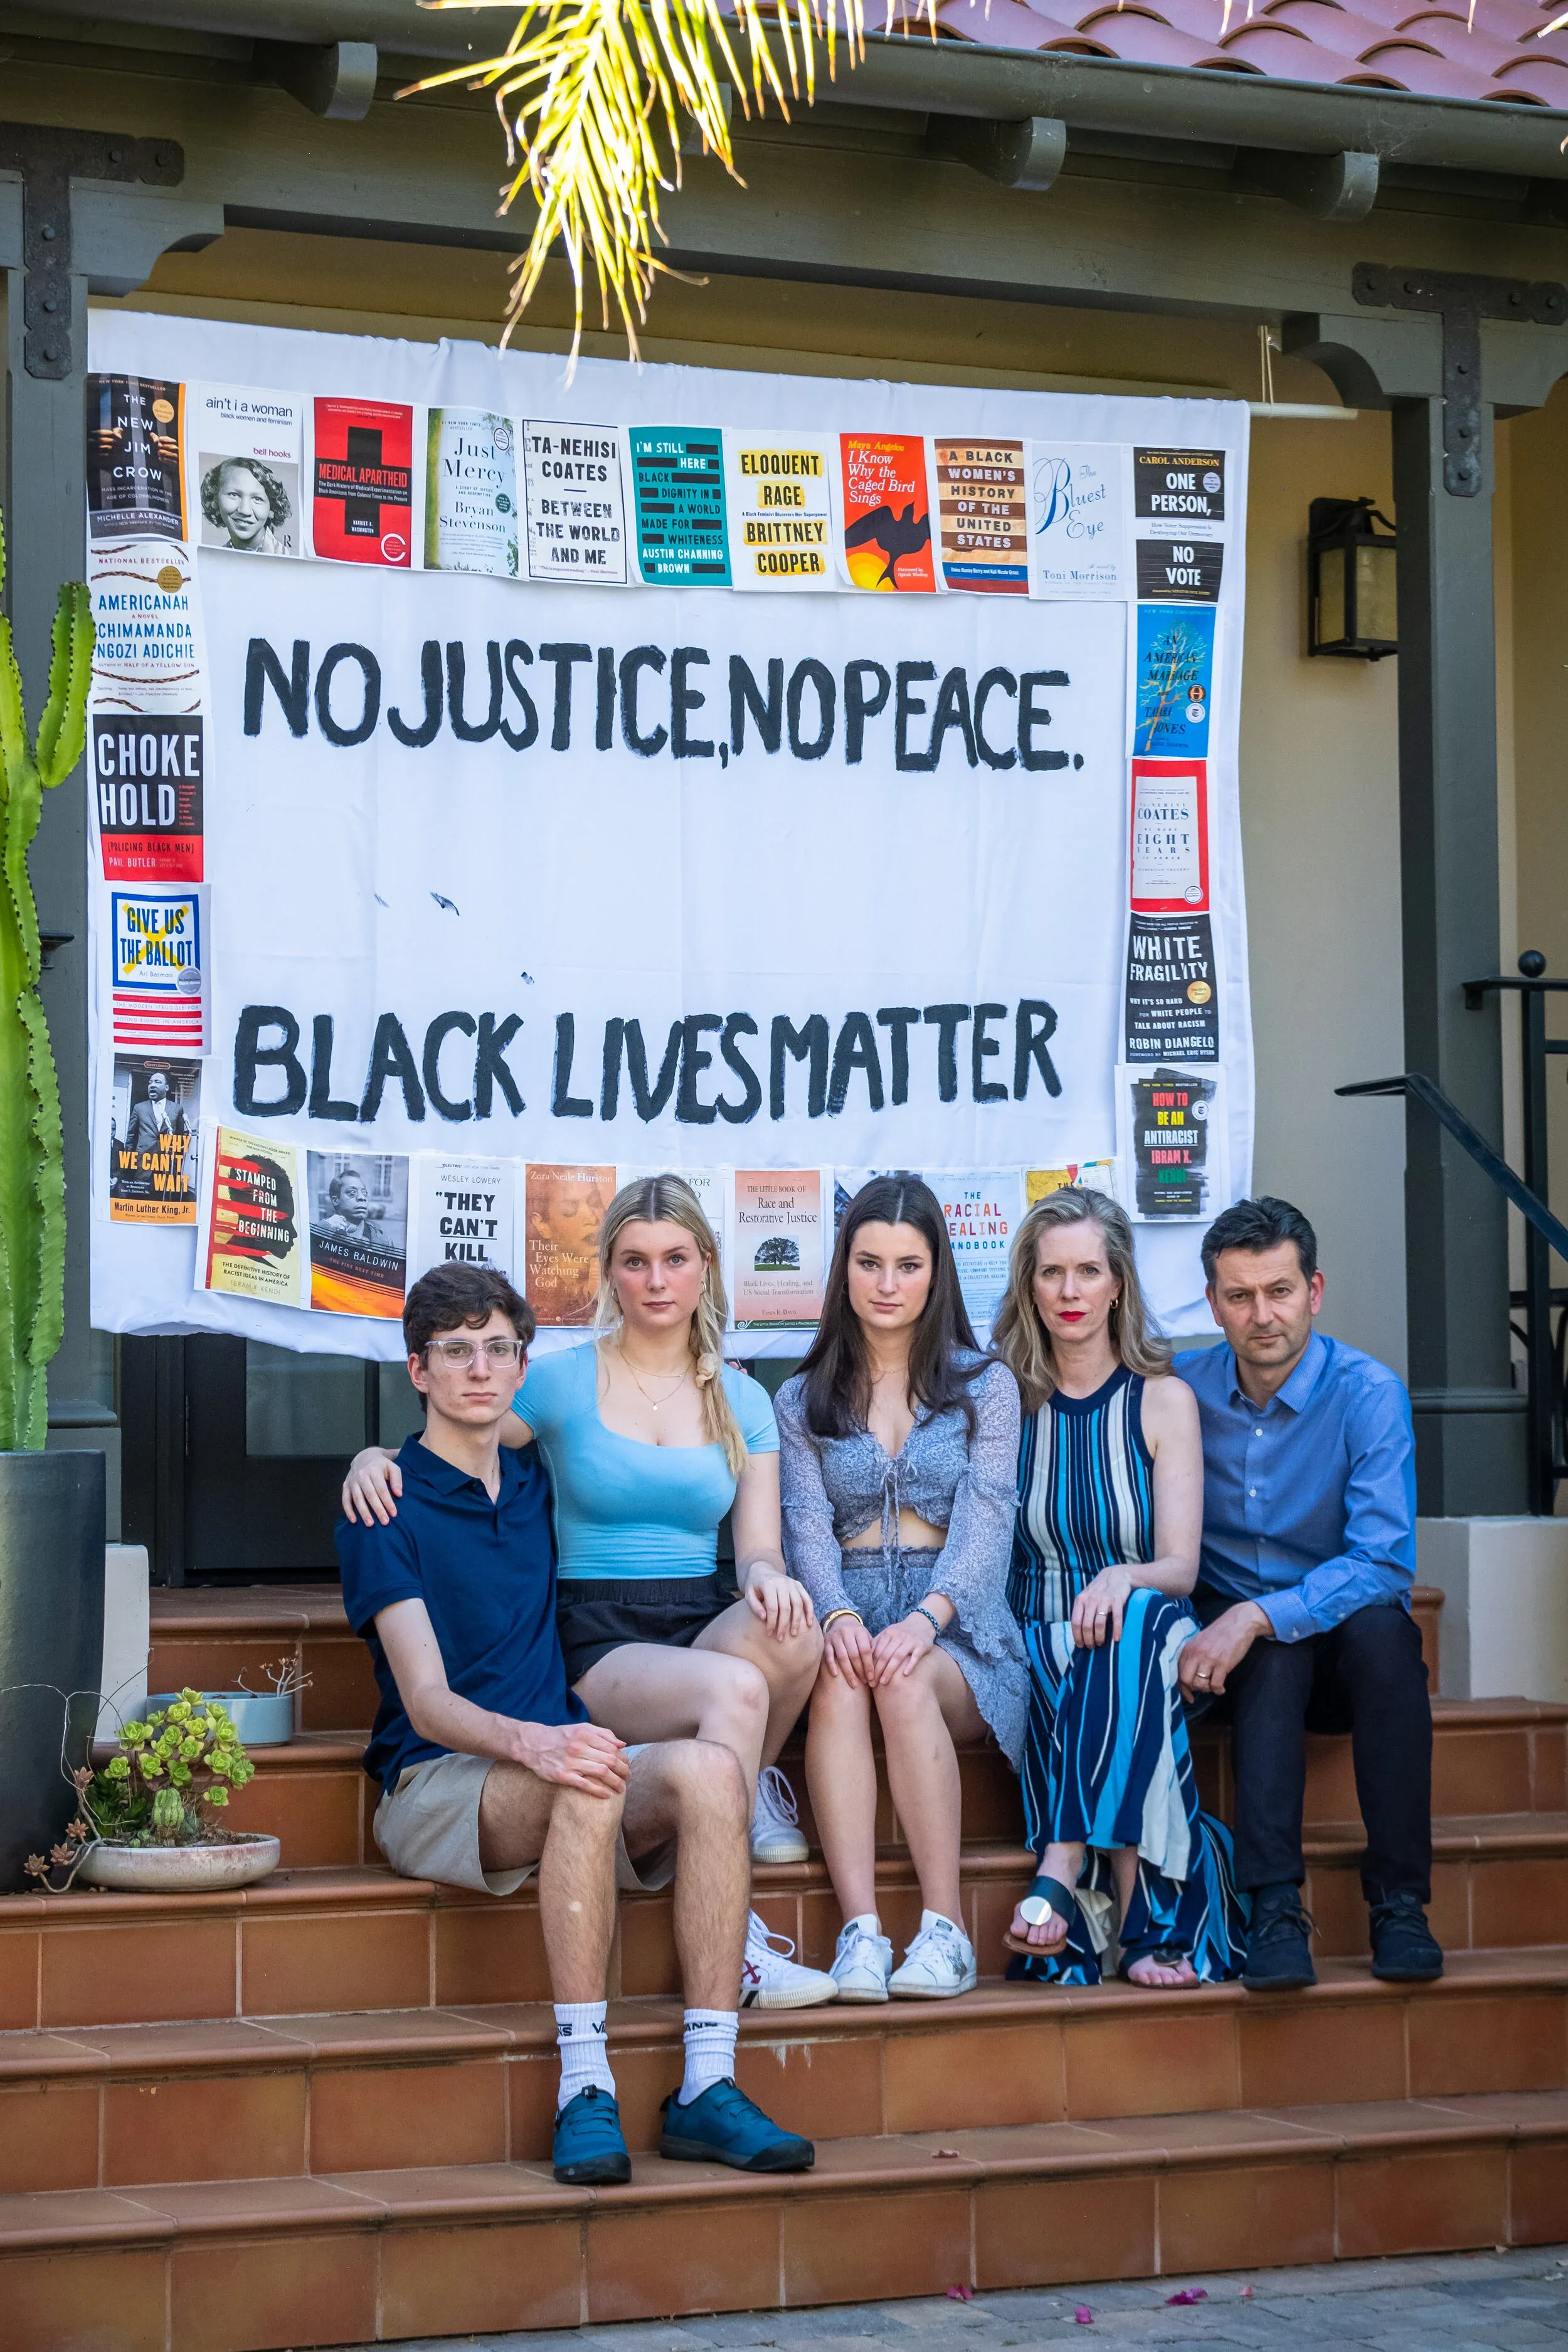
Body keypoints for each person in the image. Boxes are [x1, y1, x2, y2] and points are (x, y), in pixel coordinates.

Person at [337, 1262, 813, 2185]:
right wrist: (541, 1741)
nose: (480, 1368)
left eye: (498, 1348)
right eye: (455, 1350)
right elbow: (428, 1702)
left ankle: (707, 2084)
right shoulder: (384, 1503)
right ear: (418, 1370)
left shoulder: (532, 1484)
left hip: (555, 1761)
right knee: (585, 1777)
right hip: (436, 1782)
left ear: (523, 1368)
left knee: (715, 1772)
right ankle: (583, 2085)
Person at [1175, 1195, 1442, 1990]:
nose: (1263, 1315)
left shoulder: (1367, 1393)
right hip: (1236, 1663)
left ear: (1314, 1292)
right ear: (1214, 1303)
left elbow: (1384, 1559)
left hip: (1345, 1654)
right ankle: (1274, 1908)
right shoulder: (1180, 1394)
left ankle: (1399, 1903)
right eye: (1240, 1295)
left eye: (1280, 1291)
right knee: (1270, 1659)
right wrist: (1244, 1625)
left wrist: (1261, 1614)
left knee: (1389, 1638)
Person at [776, 1177, 1029, 2002]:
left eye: (908, 1264)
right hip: (848, 1602)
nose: (888, 1283)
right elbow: (805, 1526)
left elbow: (990, 1521)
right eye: (870, 1262)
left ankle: (944, 1930)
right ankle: (860, 1933)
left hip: (958, 1624)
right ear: (844, 1270)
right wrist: (838, 1613)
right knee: (841, 1673)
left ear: (937, 1272)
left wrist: (927, 1617)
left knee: (905, 1674)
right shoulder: (800, 1397)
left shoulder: (985, 1384)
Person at [992, 1186, 1245, 1989]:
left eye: (1088, 1272)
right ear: (1029, 1286)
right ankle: (1146, 1921)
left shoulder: (1161, 1400)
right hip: (1039, 1637)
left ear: (1119, 1284)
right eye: (1051, 1273)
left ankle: (1062, 1861)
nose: (1070, 1293)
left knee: (1129, 1622)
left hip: (1153, 1626)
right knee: (1098, 1652)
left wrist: (1117, 1578)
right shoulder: (1004, 1402)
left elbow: (1180, 1565)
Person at [199, 455, 292, 553]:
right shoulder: (217, 556)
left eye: (257, 499)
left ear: (272, 509)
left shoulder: (284, 558)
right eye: (234, 495)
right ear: (215, 500)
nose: (245, 511)